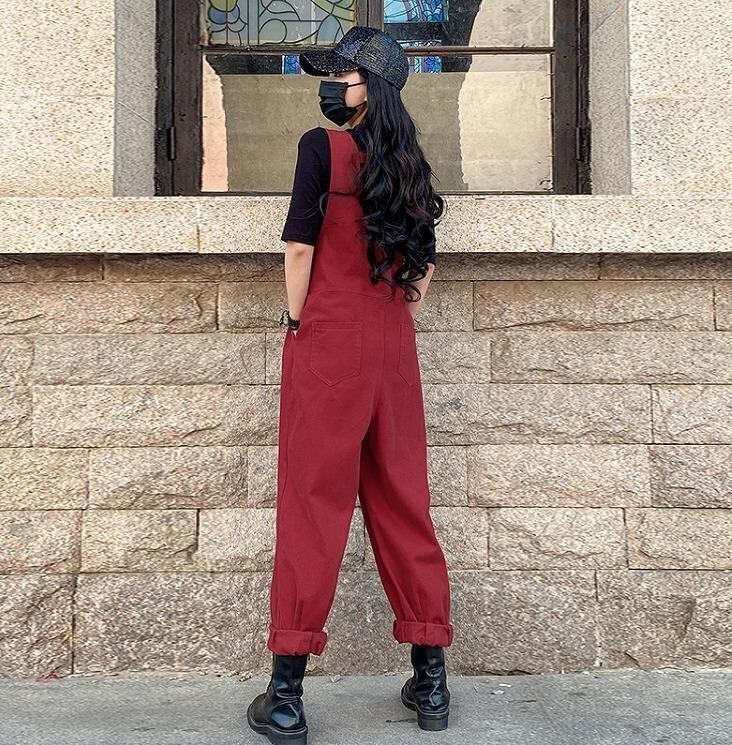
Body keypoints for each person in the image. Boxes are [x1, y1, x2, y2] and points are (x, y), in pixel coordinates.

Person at [247, 26, 453, 745]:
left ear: (371, 88)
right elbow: (423, 266)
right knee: (403, 501)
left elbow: (298, 245)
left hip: (328, 340)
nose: (331, 85)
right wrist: (390, 313)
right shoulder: (410, 164)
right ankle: (431, 682)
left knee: (313, 503)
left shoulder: (321, 147)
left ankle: (285, 697)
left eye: (341, 74)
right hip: (392, 343)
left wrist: (296, 319)